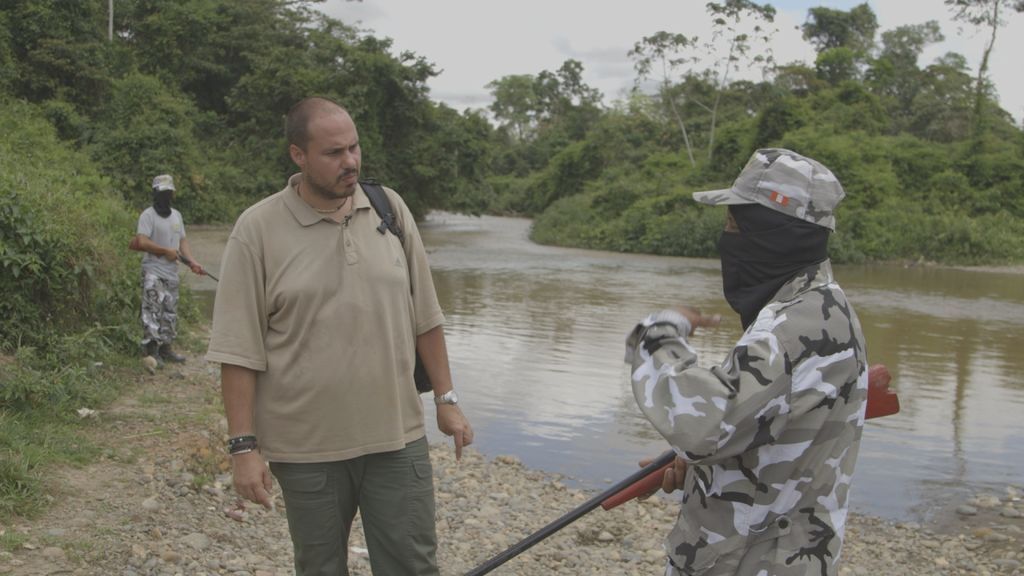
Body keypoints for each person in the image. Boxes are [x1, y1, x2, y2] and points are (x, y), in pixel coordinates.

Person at [206, 96, 473, 576]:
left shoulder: (390, 210)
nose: (349, 162)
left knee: (413, 565)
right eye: (333, 152)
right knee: (320, 567)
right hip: (307, 449)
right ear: (298, 155)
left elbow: (426, 318)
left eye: (354, 148)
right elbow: (238, 351)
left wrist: (446, 399)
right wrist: (243, 448)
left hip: (397, 437)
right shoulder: (257, 230)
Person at [625, 148, 868, 576]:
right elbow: (766, 422)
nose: (726, 238)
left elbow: (701, 425)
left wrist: (660, 331)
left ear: (769, 234)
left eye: (733, 224)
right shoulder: (820, 305)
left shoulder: (797, 327)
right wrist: (702, 460)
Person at [134, 173, 205, 364]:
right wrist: (164, 250)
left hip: (171, 273)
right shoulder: (148, 216)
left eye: (169, 193)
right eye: (162, 193)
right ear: (156, 193)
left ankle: (166, 348)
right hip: (153, 271)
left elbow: (182, 242)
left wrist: (192, 262)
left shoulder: (176, 216)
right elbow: (142, 241)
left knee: (169, 311)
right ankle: (151, 349)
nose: (166, 197)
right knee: (152, 309)